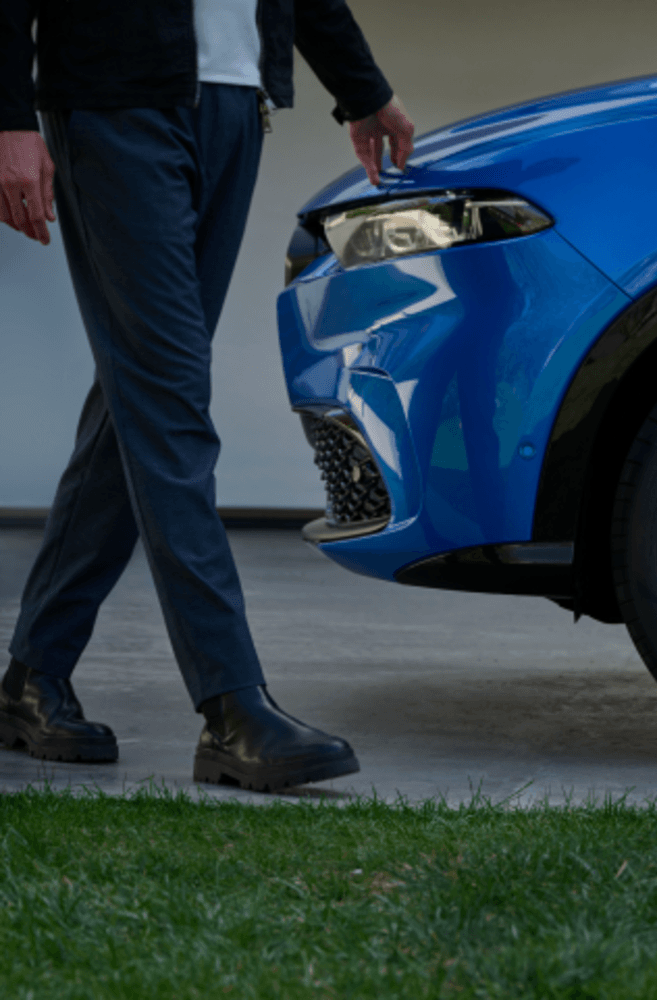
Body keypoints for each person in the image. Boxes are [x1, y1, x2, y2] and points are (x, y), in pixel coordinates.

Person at [0, 0, 415, 792]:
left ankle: (32, 676)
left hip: (232, 102)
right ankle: (233, 706)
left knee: (141, 401)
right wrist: (8, 116)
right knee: (169, 399)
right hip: (113, 102)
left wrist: (361, 88)